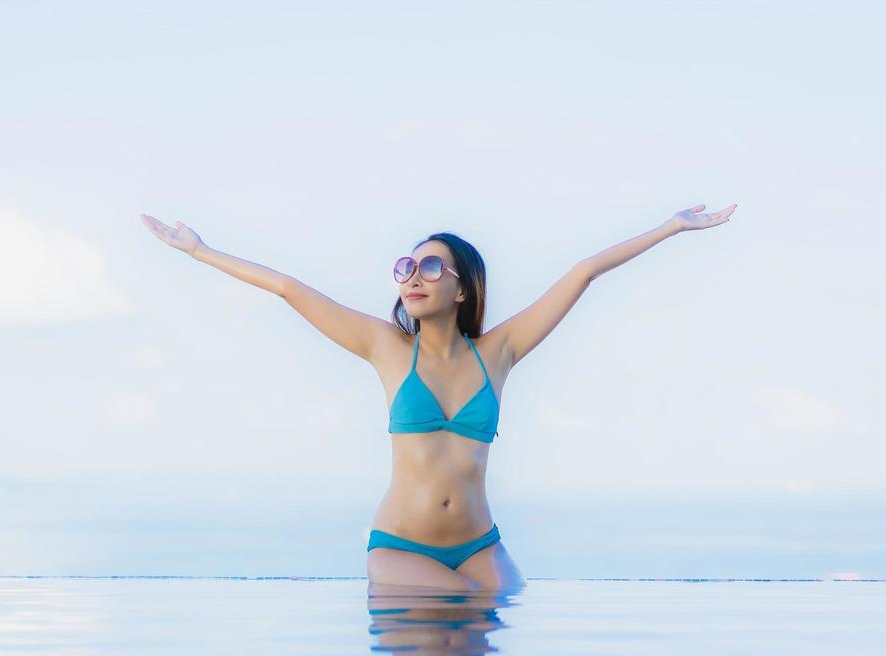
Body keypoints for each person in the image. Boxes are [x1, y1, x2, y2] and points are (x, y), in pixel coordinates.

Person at [140, 204, 736, 590]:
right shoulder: (385, 347)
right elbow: (289, 289)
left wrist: (672, 227)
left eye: (430, 265)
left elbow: (583, 272)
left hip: (483, 547)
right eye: (406, 267)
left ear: (462, 287)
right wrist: (198, 250)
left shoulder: (499, 351)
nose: (413, 276)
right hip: (402, 549)